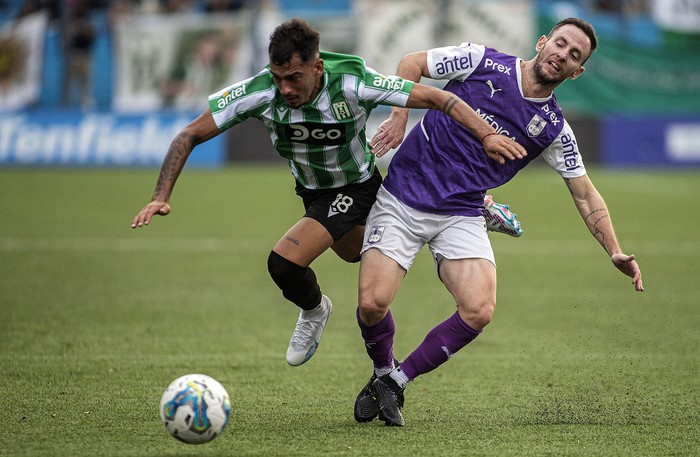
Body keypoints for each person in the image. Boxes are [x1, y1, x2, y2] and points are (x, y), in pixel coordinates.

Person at [131, 18, 524, 368]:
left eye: (294, 78)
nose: (284, 88)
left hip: (357, 187)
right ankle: (477, 205)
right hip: (314, 193)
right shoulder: (260, 91)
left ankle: (315, 311)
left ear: (317, 67)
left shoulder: (354, 82)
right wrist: (161, 194)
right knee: (358, 256)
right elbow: (189, 134)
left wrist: (486, 133)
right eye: (277, 76)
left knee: (283, 264)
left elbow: (442, 98)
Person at [353, 17, 644, 427]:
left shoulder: (555, 129)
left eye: (574, 55)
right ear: (543, 42)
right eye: (560, 44)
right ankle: (383, 371)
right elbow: (411, 62)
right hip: (403, 196)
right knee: (371, 304)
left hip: (462, 213)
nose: (562, 55)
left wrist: (614, 249)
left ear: (577, 72)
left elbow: (585, 193)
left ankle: (397, 380)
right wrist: (400, 117)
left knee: (478, 310)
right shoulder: (481, 60)